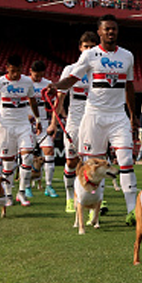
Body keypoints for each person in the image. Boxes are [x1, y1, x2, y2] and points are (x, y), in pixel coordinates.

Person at [45, 14, 140, 224]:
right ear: (99, 32)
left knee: (125, 160)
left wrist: (133, 115)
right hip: (94, 115)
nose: (111, 32)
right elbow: (72, 78)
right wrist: (56, 86)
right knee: (93, 164)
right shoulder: (90, 56)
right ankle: (91, 205)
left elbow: (130, 86)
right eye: (107, 29)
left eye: (114, 29)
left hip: (118, 116)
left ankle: (133, 211)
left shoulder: (127, 56)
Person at [54, 31, 98, 213]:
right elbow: (60, 99)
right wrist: (53, 123)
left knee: (93, 163)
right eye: (85, 46)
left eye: (91, 47)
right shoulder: (70, 70)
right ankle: (69, 197)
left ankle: (96, 200)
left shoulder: (100, 70)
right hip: (74, 121)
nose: (88, 50)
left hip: (93, 120)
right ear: (80, 48)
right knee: (71, 162)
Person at [0, 55, 41, 206]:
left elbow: (32, 100)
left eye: (18, 71)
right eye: (12, 71)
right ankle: (9, 195)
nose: (15, 74)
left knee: (28, 158)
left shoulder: (27, 81)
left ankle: (22, 192)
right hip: (6, 126)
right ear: (7, 68)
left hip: (23, 124)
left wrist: (37, 120)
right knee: (8, 164)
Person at [29, 60, 58, 197]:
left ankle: (49, 186)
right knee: (26, 155)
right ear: (30, 71)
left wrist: (54, 123)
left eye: (40, 75)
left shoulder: (47, 84)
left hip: (44, 123)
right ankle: (25, 186)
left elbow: (54, 104)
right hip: (27, 124)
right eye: (35, 75)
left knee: (49, 152)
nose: (38, 78)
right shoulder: (24, 83)